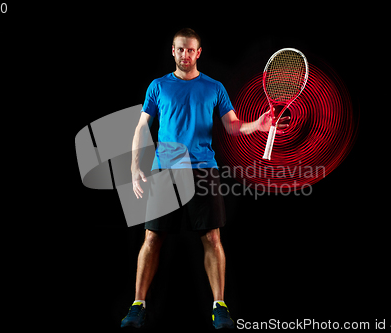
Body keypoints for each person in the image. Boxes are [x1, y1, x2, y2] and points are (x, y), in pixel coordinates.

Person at [121, 28, 289, 329]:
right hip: (165, 171)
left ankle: (219, 306)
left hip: (202, 170)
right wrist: (135, 168)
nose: (185, 55)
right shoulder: (158, 86)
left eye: (190, 50)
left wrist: (260, 125)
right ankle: (138, 305)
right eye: (180, 49)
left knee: (212, 238)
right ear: (173, 51)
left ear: (199, 53)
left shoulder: (214, 88)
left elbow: (233, 127)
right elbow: (140, 128)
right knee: (152, 237)